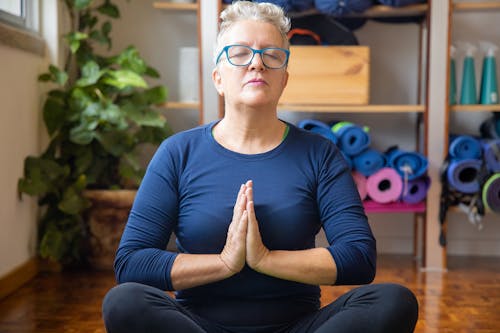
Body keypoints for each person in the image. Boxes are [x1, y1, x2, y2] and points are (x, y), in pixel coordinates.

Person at [102, 1, 418, 332]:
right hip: (199, 326)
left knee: (394, 301)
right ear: (218, 78)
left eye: (271, 55)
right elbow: (131, 263)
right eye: (240, 54)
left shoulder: (320, 154)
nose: (257, 64)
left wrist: (265, 259)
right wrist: (225, 263)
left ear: (284, 79)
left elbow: (359, 258)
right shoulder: (177, 153)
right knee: (124, 302)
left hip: (298, 326)